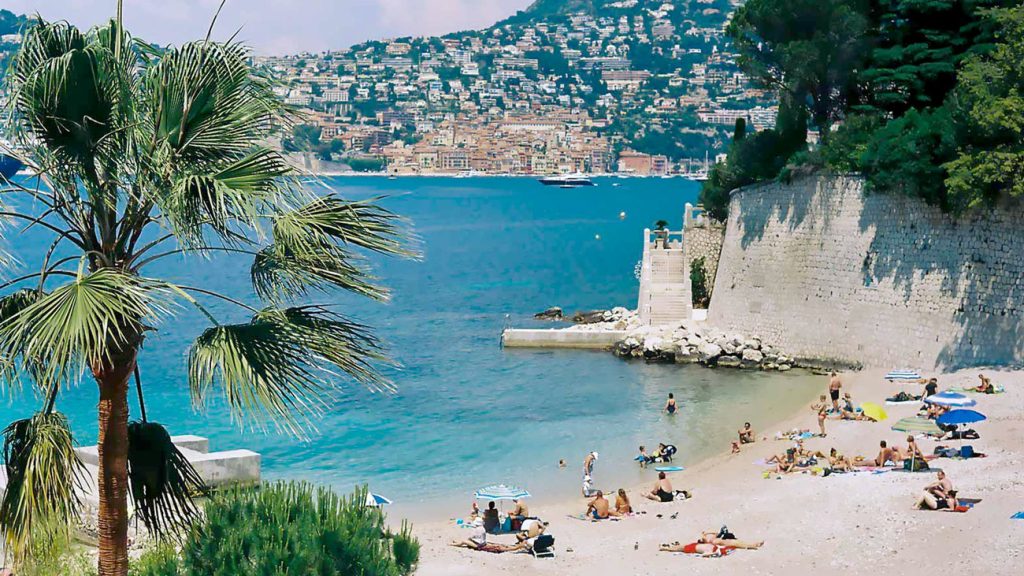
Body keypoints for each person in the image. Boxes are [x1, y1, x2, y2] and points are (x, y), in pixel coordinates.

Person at [699, 529, 764, 550]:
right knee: (736, 543)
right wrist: (704, 535)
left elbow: (716, 533)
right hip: (723, 541)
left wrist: (706, 533)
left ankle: (753, 545)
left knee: (737, 542)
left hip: (723, 539)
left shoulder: (711, 539)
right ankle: (753, 545)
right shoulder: (711, 542)